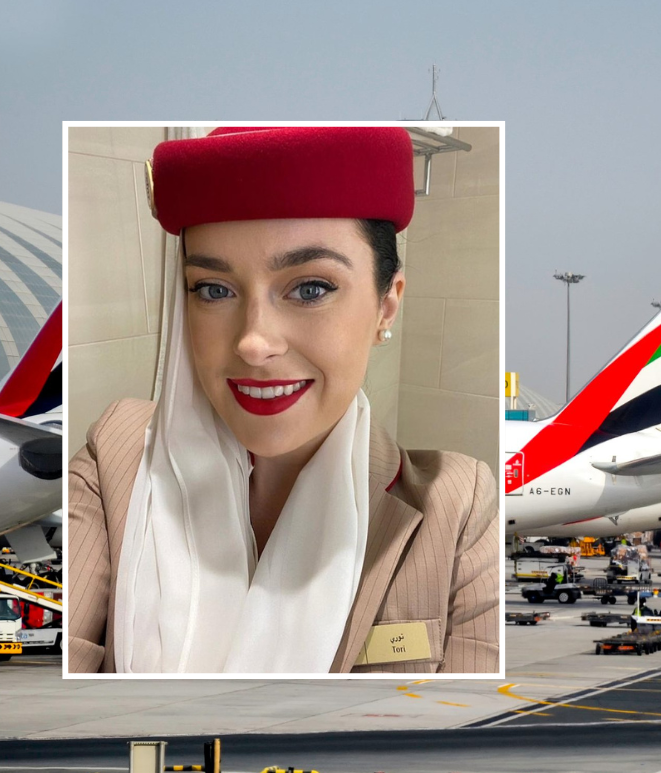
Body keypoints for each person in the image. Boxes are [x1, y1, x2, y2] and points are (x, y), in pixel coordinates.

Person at [67, 127, 499, 674]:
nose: (253, 342)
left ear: (387, 305)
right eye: (214, 290)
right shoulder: (118, 457)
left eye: (311, 288)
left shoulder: (456, 508)